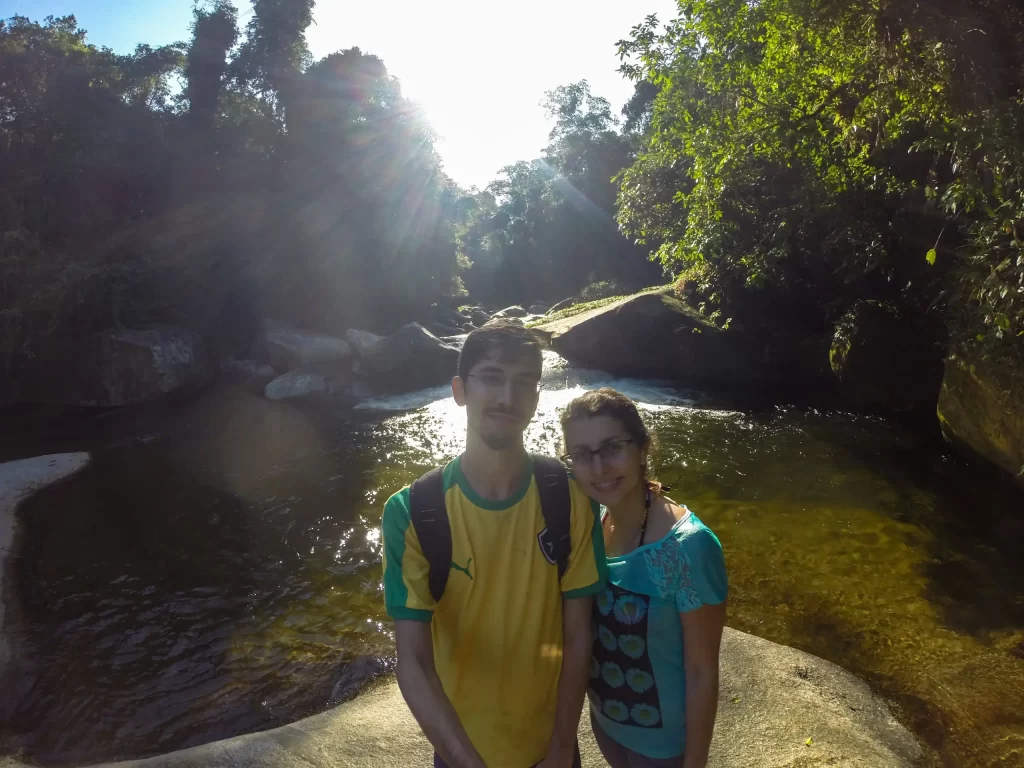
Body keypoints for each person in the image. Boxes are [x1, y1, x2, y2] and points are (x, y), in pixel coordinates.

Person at [381, 320, 608, 768]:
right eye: (491, 378)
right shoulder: (414, 511)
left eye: (524, 383)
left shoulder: (570, 500)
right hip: (460, 754)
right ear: (460, 390)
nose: (508, 398)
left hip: (554, 753)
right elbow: (413, 660)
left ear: (537, 398)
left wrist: (563, 744)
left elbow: (579, 634)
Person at [559, 388, 728, 768]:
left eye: (612, 447)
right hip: (604, 723)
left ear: (643, 447)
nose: (599, 467)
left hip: (664, 749)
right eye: (582, 454)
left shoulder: (689, 547)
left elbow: (702, 672)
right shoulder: (590, 523)